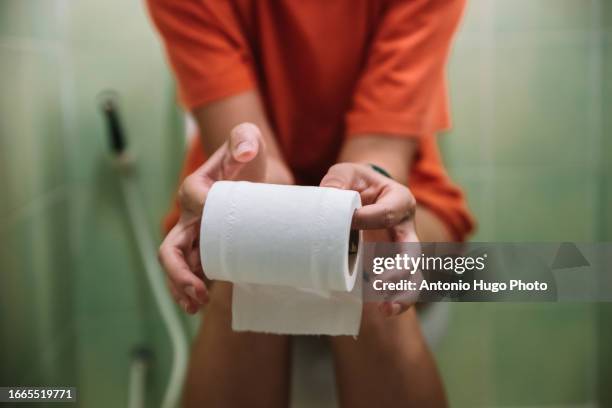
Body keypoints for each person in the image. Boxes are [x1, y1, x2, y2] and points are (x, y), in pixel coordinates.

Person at [147, 0, 474, 406]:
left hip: (396, 188)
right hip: (250, 180)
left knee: (369, 257)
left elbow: (377, 156)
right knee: (249, 248)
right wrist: (263, 212)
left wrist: (343, 216)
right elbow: (251, 164)